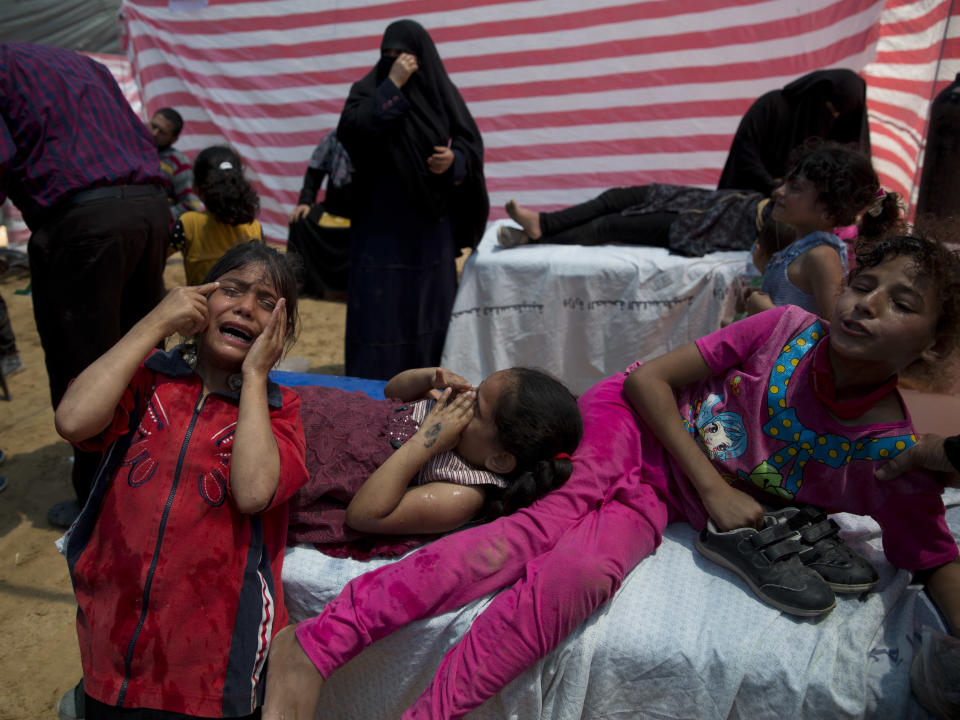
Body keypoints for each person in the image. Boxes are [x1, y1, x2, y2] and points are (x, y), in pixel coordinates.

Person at [263, 227, 960, 720]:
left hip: (660, 498)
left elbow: (933, 558)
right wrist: (714, 489)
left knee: (583, 578)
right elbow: (649, 382)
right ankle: (323, 640)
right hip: (628, 428)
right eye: (863, 284)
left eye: (901, 303)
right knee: (538, 531)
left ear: (932, 348)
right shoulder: (780, 331)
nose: (865, 303)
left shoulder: (887, 452)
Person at [55, 242, 308, 718]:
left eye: (267, 302)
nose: (246, 307)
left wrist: (255, 376)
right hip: (112, 641)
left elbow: (254, 492)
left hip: (213, 661)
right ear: (198, 300)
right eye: (231, 289)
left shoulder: (279, 411)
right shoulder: (147, 377)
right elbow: (72, 420)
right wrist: (154, 323)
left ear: (282, 330)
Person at [0, 42, 171, 527]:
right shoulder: (79, 64)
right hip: (147, 207)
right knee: (142, 351)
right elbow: (137, 135)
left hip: (85, 222)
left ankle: (100, 504)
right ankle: (155, 472)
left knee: (86, 367)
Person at [287, 365, 582, 559]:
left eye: (475, 408)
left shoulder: (462, 492)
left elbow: (363, 515)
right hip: (316, 411)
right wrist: (431, 378)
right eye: (475, 389)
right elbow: (393, 392)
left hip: (309, 457)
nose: (461, 400)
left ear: (500, 460)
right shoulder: (447, 414)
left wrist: (426, 442)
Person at [337, 19, 489, 380]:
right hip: (379, 226)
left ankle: (428, 379)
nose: (397, 60)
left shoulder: (441, 91)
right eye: (388, 55)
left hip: (429, 225)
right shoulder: (369, 88)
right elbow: (352, 131)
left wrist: (455, 162)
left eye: (403, 55)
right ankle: (374, 385)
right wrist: (393, 85)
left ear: (422, 56)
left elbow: (471, 142)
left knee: (426, 309)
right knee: (380, 310)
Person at [741, 144, 901, 318]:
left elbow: (834, 326)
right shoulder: (799, 248)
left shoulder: (822, 256)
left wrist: (767, 312)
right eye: (784, 184)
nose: (778, 191)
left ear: (830, 209)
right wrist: (758, 294)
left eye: (795, 187)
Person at [717, 68, 871, 195]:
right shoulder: (773, 105)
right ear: (817, 91)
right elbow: (745, 150)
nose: (832, 118)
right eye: (830, 110)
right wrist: (773, 186)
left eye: (839, 116)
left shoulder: (833, 131)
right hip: (745, 200)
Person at [171, 145, 263, 286]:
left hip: (201, 305)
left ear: (196, 188)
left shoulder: (187, 224)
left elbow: (155, 260)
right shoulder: (255, 228)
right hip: (241, 305)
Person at [287, 130, 354, 298]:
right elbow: (314, 173)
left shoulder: (382, 138)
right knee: (299, 220)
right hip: (333, 209)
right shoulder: (334, 139)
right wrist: (305, 201)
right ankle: (302, 282)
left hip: (367, 215)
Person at [148, 107, 203, 222]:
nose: (154, 133)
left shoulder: (177, 162)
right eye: (153, 126)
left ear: (174, 139)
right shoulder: (130, 150)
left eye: (162, 132)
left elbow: (191, 204)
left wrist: (155, 218)